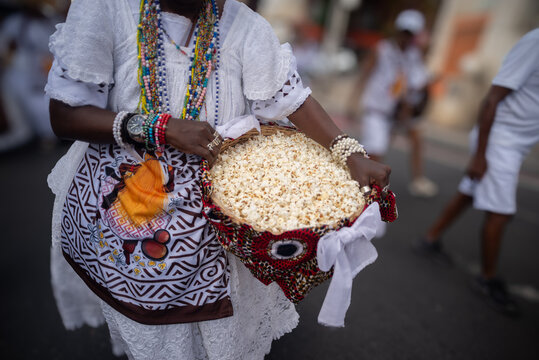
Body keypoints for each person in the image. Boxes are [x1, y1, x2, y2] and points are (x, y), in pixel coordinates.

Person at [46, 0, 391, 358]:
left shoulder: (244, 25)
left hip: (218, 219)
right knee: (156, 338)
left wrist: (349, 152)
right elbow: (66, 114)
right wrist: (158, 128)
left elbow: (290, 99)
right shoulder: (107, 8)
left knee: (217, 333)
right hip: (130, 206)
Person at [417, 28, 539, 316]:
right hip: (500, 139)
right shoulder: (535, 42)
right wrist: (481, 154)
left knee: (469, 194)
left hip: (516, 143)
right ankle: (487, 278)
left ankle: (429, 239)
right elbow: (492, 98)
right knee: (501, 213)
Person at [349, 9, 438, 197]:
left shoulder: (414, 55)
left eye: (410, 34)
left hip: (399, 110)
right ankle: (363, 189)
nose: (406, 37)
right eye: (404, 32)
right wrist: (353, 101)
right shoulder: (381, 49)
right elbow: (365, 74)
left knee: (414, 137)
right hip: (377, 108)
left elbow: (417, 82)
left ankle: (417, 179)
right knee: (376, 151)